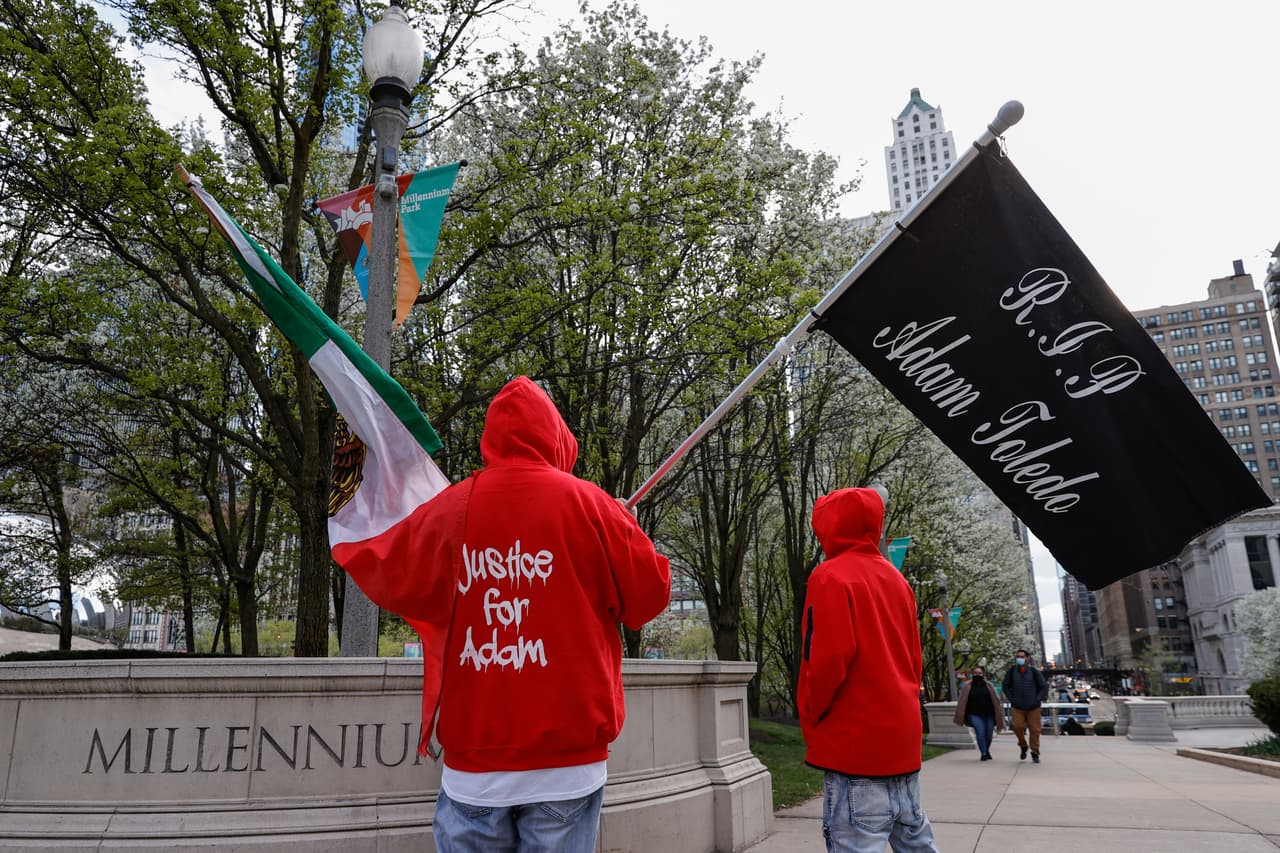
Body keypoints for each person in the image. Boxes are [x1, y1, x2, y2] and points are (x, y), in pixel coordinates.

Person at [342, 376, 672, 852]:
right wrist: (628, 531)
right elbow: (649, 597)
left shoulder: (449, 509)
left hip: (476, 767)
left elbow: (388, 572)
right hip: (567, 769)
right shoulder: (593, 507)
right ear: (556, 436)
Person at [798, 485, 939, 853]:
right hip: (902, 742)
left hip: (855, 743)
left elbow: (827, 661)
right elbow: (914, 660)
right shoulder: (897, 579)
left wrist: (813, 713)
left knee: (857, 841)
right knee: (916, 842)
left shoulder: (829, 576)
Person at [1001, 649, 1048, 764]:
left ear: (1027, 658)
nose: (1020, 658)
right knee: (1017, 726)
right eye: (1018, 656)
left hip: (1033, 707)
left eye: (1022, 656)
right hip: (1018, 706)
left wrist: (1037, 699)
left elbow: (1043, 686)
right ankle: (1023, 745)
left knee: (1035, 730)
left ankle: (1035, 752)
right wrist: (1012, 699)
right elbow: (1005, 686)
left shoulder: (1034, 672)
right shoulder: (1011, 671)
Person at [952, 665, 1003, 760]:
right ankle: (983, 753)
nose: (977, 675)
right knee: (980, 732)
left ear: (983, 674)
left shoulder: (989, 686)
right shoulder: (967, 686)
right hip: (974, 714)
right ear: (972, 674)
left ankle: (986, 750)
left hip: (989, 714)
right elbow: (962, 701)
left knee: (989, 734)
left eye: (979, 673)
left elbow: (996, 700)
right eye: (975, 673)